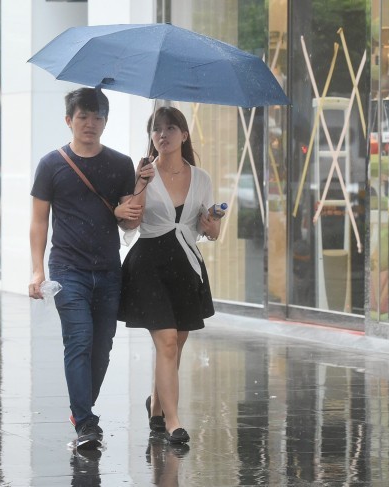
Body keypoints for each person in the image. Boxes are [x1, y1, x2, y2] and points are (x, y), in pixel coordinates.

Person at [28, 87, 154, 448]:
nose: (91, 123)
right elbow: (39, 221)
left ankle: (82, 408)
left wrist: (141, 184)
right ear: (69, 120)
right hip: (68, 268)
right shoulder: (51, 164)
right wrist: (38, 271)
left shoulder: (119, 164)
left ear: (106, 121)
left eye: (98, 116)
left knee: (102, 348)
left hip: (109, 268)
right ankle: (85, 422)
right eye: (83, 116)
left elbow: (129, 223)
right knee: (79, 341)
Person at [118, 106, 221, 444]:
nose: (163, 134)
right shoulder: (143, 174)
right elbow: (130, 222)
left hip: (186, 267)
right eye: (157, 129)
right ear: (151, 137)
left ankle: (157, 404)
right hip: (148, 265)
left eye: (171, 128)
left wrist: (211, 226)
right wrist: (141, 184)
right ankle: (173, 421)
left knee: (176, 343)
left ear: (184, 134)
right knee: (165, 341)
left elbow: (210, 231)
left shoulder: (201, 178)